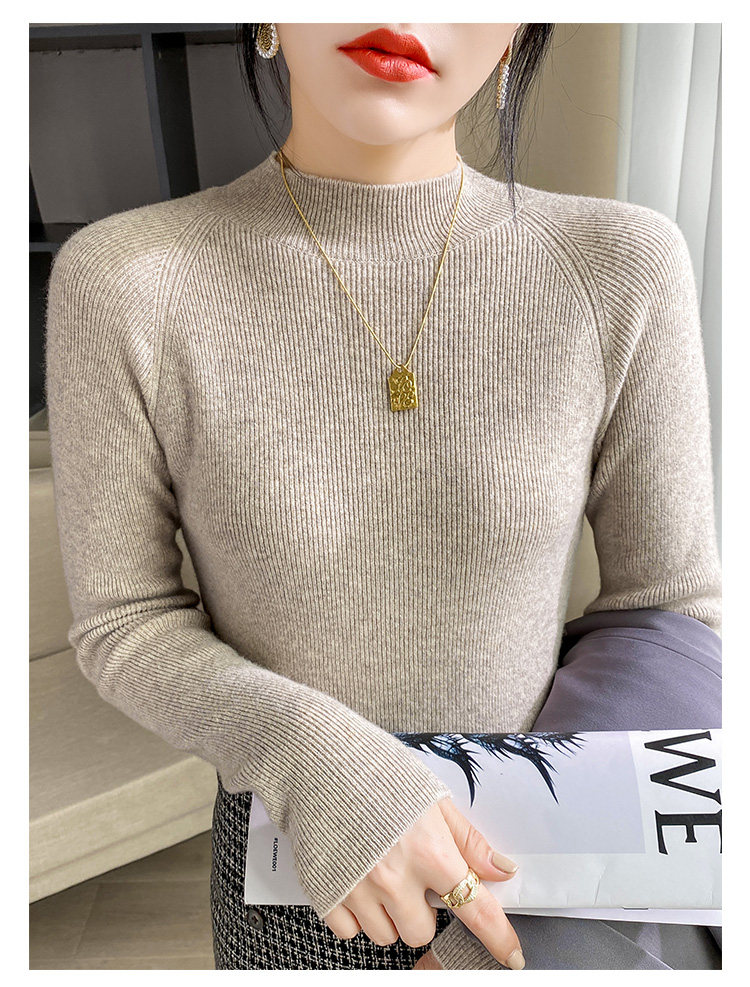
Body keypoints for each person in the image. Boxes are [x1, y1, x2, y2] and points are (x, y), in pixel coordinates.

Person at [44, 22, 722, 970]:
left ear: (516, 32)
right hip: (294, 869)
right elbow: (126, 620)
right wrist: (314, 756)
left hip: (548, 888)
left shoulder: (621, 264)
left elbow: (671, 611)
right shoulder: (125, 279)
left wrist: (533, 923)